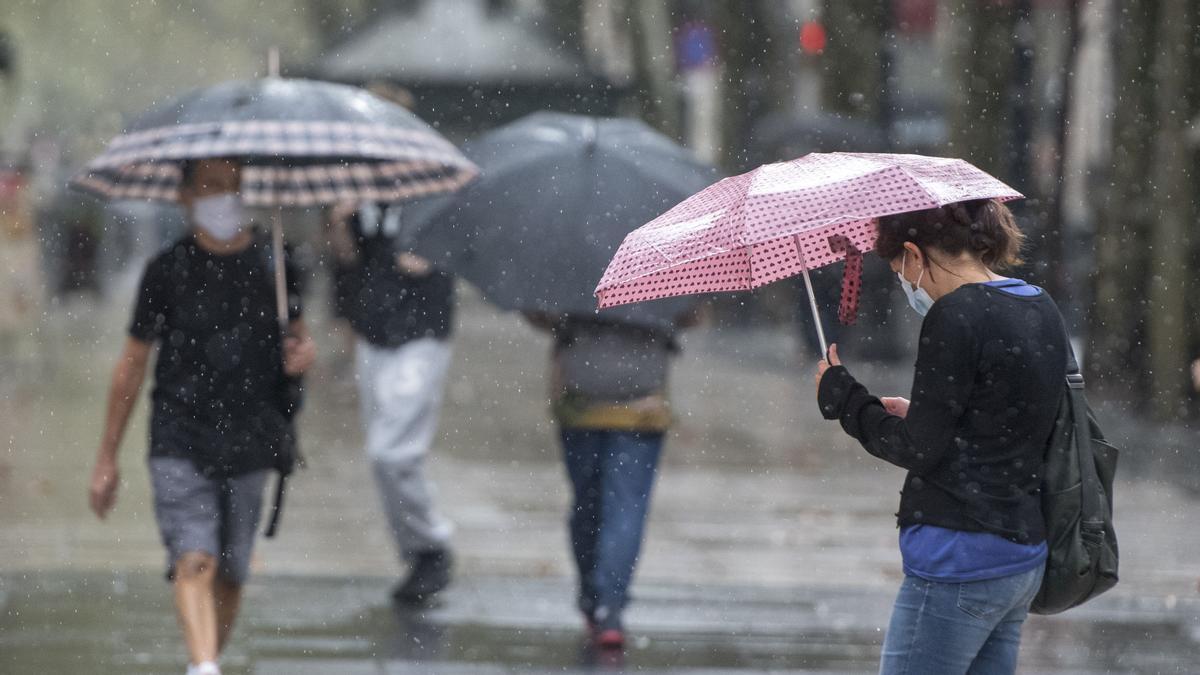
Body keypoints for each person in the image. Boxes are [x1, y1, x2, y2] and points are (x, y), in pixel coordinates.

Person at [814, 198, 1064, 675]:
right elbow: (1024, 417)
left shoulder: (955, 316)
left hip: (959, 556)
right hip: (1022, 553)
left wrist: (843, 397)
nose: (906, 282)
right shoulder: (1037, 304)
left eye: (897, 269)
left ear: (913, 254)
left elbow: (916, 449)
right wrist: (928, 413)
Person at [87, 159, 317, 675]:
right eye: (211, 186)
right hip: (180, 433)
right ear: (184, 196)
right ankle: (204, 667)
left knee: (232, 570)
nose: (224, 197)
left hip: (253, 435)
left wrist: (304, 357)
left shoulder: (278, 264)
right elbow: (132, 364)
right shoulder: (167, 270)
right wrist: (107, 457)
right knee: (194, 558)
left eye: (233, 185)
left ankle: (205, 658)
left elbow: (298, 341)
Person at [526, 311, 695, 649]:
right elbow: (690, 312)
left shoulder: (569, 262)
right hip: (642, 399)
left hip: (581, 396)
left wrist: (563, 324)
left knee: (587, 502)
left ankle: (593, 595)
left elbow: (538, 309)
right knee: (626, 509)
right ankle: (610, 607)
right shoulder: (663, 262)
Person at [328, 201, 456, 604]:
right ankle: (418, 552)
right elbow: (346, 263)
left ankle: (431, 543)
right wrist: (338, 222)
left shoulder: (436, 198)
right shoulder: (358, 198)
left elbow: (467, 249)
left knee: (393, 453)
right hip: (373, 333)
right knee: (380, 454)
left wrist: (433, 255)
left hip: (421, 333)